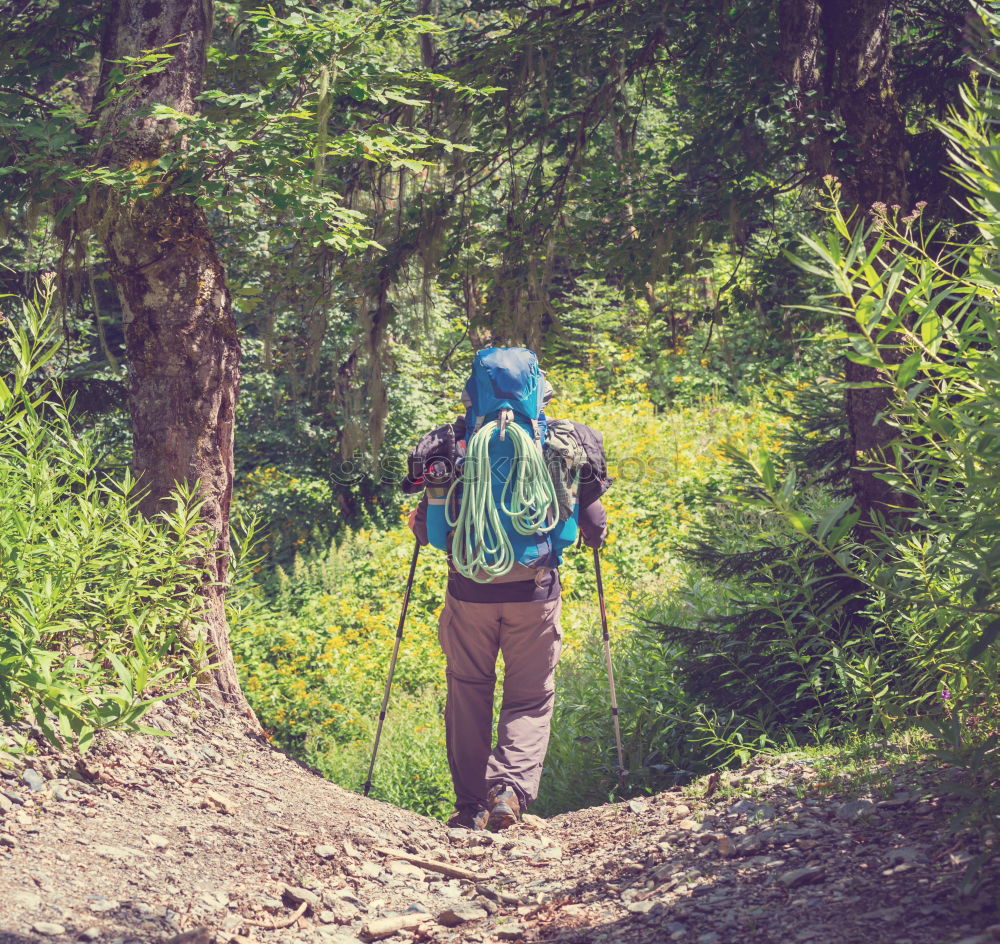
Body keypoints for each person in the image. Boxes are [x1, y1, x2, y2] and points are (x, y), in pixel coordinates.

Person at [401, 347, 611, 830]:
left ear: (473, 390)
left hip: (468, 591)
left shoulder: (445, 443)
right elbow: (593, 528)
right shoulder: (568, 441)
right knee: (529, 698)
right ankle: (509, 794)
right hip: (534, 594)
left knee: (468, 690)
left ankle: (470, 803)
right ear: (538, 387)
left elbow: (426, 532)